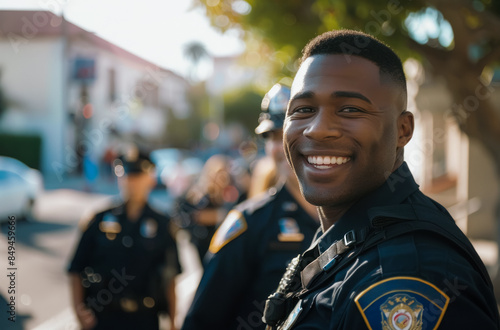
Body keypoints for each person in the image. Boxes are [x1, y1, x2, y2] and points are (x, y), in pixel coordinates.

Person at [262, 29, 500, 329]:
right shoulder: (349, 239)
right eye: (303, 110)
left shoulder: (405, 277)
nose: (318, 129)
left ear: (403, 130)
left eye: (350, 109)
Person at [181, 83, 320, 330]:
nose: (285, 145)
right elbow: (201, 322)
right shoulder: (247, 223)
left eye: (296, 132)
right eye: (275, 136)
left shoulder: (351, 219)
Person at [68, 148, 181, 330]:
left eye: (137, 177)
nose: (131, 182)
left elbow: (171, 277)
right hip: (103, 319)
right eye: (127, 176)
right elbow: (76, 268)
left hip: (145, 319)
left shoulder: (163, 224)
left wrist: (173, 322)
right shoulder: (98, 220)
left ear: (150, 179)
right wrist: (78, 310)